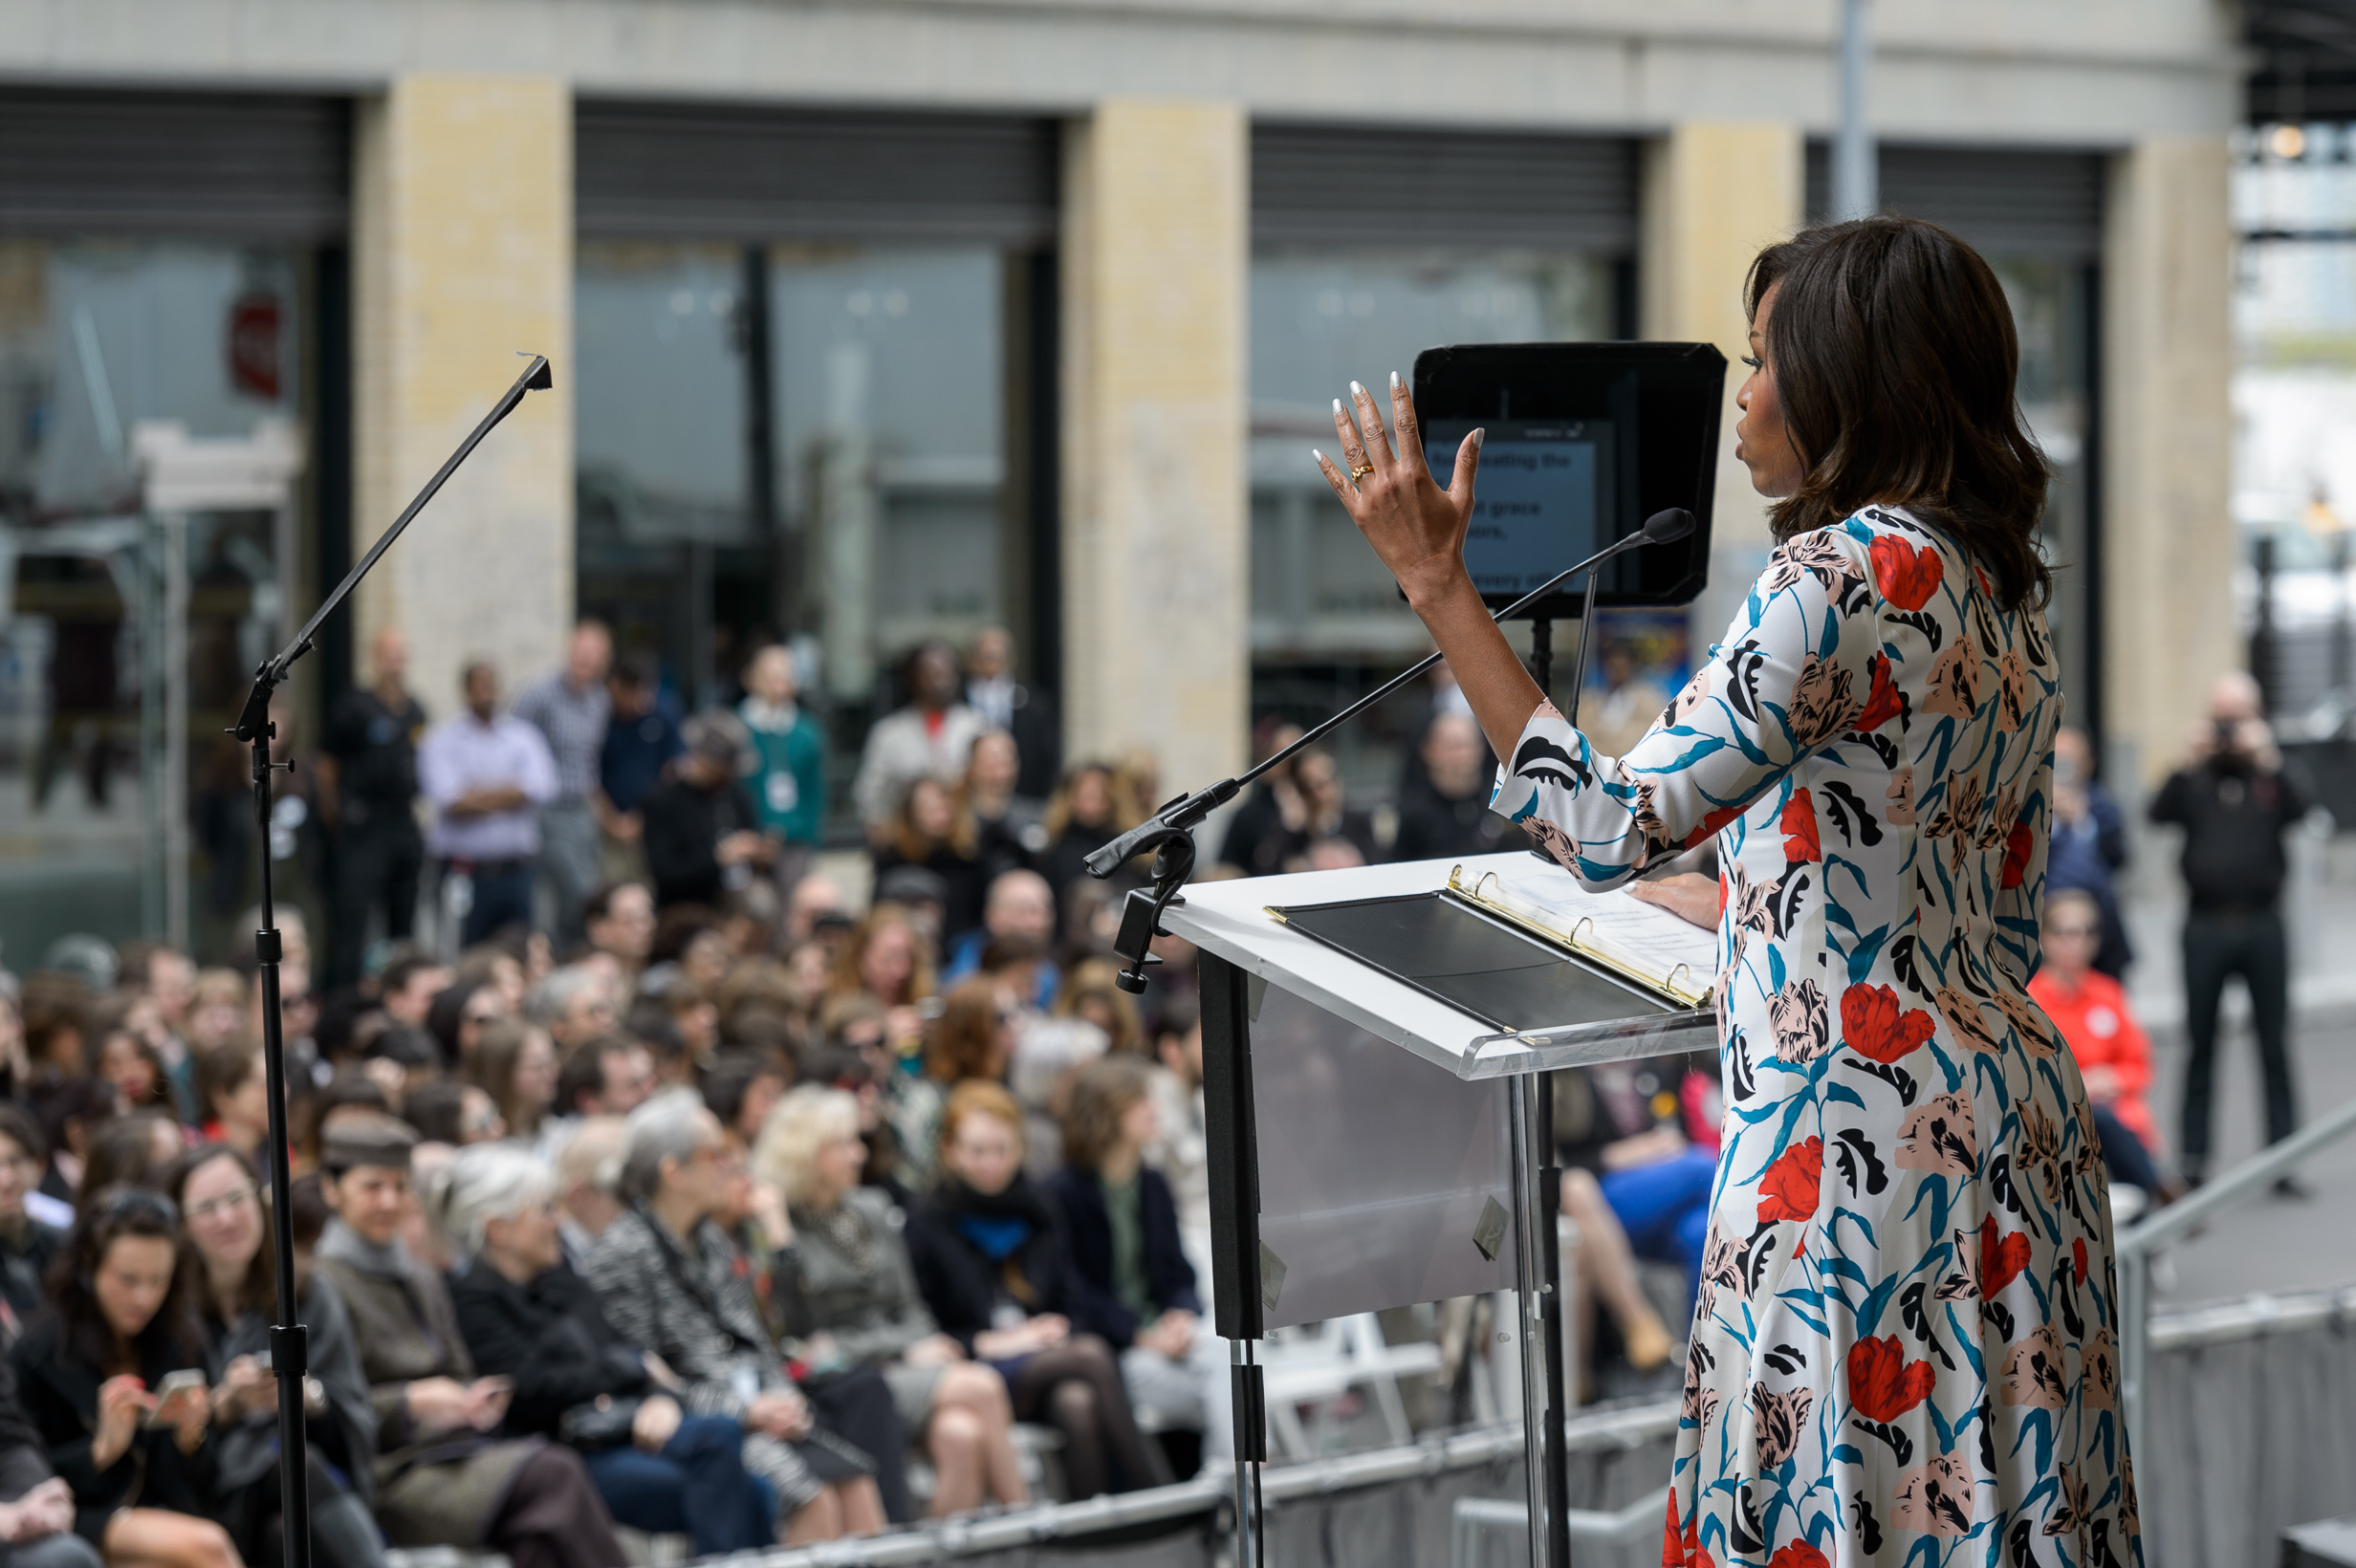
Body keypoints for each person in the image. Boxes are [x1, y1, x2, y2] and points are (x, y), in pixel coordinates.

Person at [1315, 216, 2136, 1557]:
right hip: (2014, 1138)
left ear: (1842, 381)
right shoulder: (1998, 586)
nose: (1743, 395)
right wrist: (1758, 901)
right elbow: (1967, 899)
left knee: (1844, 1508)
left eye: (1762, 360)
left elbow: (1608, 827)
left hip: (1857, 1154)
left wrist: (1435, 582)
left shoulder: (1838, 570)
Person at [310, 1113, 626, 1568]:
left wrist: (468, 1399)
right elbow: (327, 1409)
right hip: (392, 1472)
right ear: (331, 1190)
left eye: (400, 1188)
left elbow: (459, 1369)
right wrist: (409, 1402)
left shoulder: (418, 1274)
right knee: (554, 1472)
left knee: (538, 1541)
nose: (389, 1201)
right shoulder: (324, 1284)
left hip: (458, 1451)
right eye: (372, 1187)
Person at [434, 1144, 775, 1557]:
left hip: (621, 1427)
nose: (557, 1221)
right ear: (498, 1229)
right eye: (543, 1210)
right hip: (566, 1452)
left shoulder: (558, 1276)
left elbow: (624, 1350)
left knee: (729, 1445)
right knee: (739, 1490)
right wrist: (631, 1370)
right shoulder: (470, 1300)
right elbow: (531, 1387)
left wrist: (660, 1398)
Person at [579, 1095, 889, 1543]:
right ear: (674, 1172)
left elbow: (756, 1342)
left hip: (760, 1411)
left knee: (856, 1480)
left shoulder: (710, 1239)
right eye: (716, 1155)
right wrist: (748, 1413)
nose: (731, 1165)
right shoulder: (619, 1255)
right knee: (811, 1496)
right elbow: (648, 1381)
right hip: (704, 1429)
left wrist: (785, 1401)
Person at [754, 1088, 1031, 1517]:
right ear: (805, 1154)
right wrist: (781, 1246)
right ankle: (1031, 1524)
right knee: (981, 1385)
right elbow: (799, 1339)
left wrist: (900, 1348)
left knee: (962, 1435)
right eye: (844, 1145)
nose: (859, 1155)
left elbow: (913, 1312)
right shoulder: (778, 1228)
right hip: (846, 1380)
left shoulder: (871, 1207)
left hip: (899, 1365)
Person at [905, 1082, 1165, 1498]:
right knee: (1092, 1354)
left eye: (1002, 1149)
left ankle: (1092, 1540)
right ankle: (1162, 1500)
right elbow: (924, 1328)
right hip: (978, 1368)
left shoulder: (1039, 1209)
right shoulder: (927, 1224)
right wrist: (996, 1343)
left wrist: (1054, 1330)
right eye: (977, 1151)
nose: (991, 1163)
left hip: (1047, 1362)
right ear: (950, 1151)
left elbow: (1071, 1298)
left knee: (1076, 1402)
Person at [164, 1148, 383, 1568]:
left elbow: (355, 1414)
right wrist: (225, 1405)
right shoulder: (168, 1306)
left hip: (299, 1484)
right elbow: (165, 1440)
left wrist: (305, 1395)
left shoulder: (306, 1291)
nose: (227, 1219)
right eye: (207, 1208)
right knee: (297, 1467)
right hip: (210, 1489)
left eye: (237, 1199)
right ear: (184, 1225)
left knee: (281, 1533)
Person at [2148, 670, 2313, 1192]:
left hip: (2263, 924)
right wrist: (2185, 760)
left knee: (2273, 1047)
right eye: (2222, 717)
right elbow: (2156, 814)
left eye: (2238, 718)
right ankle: (2194, 1162)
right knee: (2200, 1045)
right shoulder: (2196, 775)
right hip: (2205, 925)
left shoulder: (2270, 774)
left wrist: (2271, 760)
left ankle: (2283, 1161)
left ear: (2258, 718)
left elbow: (2304, 811)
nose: (2228, 730)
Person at [11, 1190, 237, 1568]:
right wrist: (99, 1451)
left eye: (158, 1280)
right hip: (79, 1512)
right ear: (90, 1265)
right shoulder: (38, 1351)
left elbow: (207, 1480)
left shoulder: (179, 1338)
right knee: (207, 1546)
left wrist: (190, 1438)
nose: (143, 1297)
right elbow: (21, 1471)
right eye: (127, 1279)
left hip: (162, 1508)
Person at [1046, 1059, 1227, 1469]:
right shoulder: (1062, 1194)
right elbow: (1072, 1293)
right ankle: (1241, 1489)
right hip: (1116, 1351)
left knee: (1232, 1357)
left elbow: (1180, 1273)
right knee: (1237, 1394)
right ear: (1107, 1113)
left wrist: (1181, 1315)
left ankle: (1230, 1488)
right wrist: (1141, 1334)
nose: (1154, 1109)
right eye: (1141, 1101)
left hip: (1169, 1339)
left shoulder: (1153, 1183)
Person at [2026, 890, 2171, 1196]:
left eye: (2086, 932)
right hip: (2059, 1113)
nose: (2075, 942)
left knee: (2112, 1118)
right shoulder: (2031, 1001)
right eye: (2064, 932)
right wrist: (2080, 1086)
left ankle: (2155, 1194)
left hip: (2116, 1109)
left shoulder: (2108, 993)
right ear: (2045, 938)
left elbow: (2139, 1065)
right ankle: (2160, 1191)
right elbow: (2027, 1073)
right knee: (2098, 1117)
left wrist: (2112, 1078)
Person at [417, 663, 560, 947]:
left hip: (516, 869)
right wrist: (510, 792)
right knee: (465, 951)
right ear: (465, 690)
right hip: (465, 872)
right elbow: (449, 801)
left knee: (520, 949)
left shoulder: (523, 736)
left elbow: (541, 788)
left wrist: (475, 793)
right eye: (477, 686)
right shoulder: (442, 738)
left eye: (490, 685)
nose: (485, 693)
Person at [319, 629, 430, 990]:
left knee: (404, 923)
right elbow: (327, 764)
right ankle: (344, 994)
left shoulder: (415, 709)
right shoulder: (353, 706)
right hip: (365, 826)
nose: (395, 664)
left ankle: (402, 991)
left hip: (403, 822)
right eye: (388, 655)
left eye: (400, 656)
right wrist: (335, 815)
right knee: (354, 921)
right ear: (375, 659)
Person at [513, 621, 617, 948]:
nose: (585, 661)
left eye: (593, 655)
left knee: (587, 885)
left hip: (583, 804)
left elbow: (591, 759)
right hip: (549, 806)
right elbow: (514, 743)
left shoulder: (600, 700)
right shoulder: (539, 695)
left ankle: (572, 950)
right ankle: (569, 949)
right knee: (576, 887)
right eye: (580, 652)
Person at [639, 713, 774, 912]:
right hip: (686, 908)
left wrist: (759, 853)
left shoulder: (735, 794)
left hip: (736, 905)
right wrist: (719, 857)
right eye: (721, 770)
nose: (727, 777)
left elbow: (752, 837)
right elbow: (664, 872)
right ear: (701, 759)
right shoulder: (662, 801)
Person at [851, 642, 984, 842]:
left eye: (947, 674)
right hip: (907, 845)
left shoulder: (976, 725)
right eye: (932, 674)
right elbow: (868, 795)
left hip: (965, 844)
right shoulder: (889, 733)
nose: (941, 683)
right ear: (913, 679)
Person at [738, 644, 827, 899]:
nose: (779, 684)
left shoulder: (807, 733)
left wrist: (805, 838)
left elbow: (815, 795)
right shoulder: (739, 728)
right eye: (770, 676)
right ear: (750, 678)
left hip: (794, 844)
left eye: (786, 676)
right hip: (748, 843)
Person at [2045, 727, 2131, 979]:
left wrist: (2083, 821)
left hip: (2100, 930)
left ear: (2087, 763)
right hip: (2043, 930)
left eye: (2069, 761)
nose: (2062, 768)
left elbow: (2119, 857)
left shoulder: (2102, 804)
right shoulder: (2028, 807)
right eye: (2055, 759)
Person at [1389, 710, 1526, 862]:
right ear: (1431, 751)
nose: (1466, 754)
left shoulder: (1501, 801)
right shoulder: (1415, 812)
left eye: (1473, 745)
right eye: (1456, 746)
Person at [0, 1352, 96, 1568]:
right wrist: (8, 1518)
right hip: (95, 1506)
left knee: (70, 1557)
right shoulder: (45, 1351)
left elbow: (9, 1439)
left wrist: (46, 1500)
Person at [871, 779, 989, 947]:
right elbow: (879, 917)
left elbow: (980, 918)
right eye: (929, 807)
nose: (939, 813)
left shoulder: (969, 859)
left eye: (944, 804)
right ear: (909, 813)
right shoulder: (891, 861)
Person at [963, 627, 1059, 800]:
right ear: (973, 660)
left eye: (998, 657)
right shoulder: (958, 699)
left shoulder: (1034, 702)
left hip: (1024, 797)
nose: (992, 663)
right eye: (986, 657)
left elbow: (1046, 757)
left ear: (1010, 659)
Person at [597, 650, 681, 842]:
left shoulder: (664, 713)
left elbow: (671, 770)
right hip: (605, 823)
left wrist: (644, 817)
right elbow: (588, 775)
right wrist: (612, 822)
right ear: (616, 685)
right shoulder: (599, 718)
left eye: (648, 691)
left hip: (654, 820)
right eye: (634, 692)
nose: (642, 701)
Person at [468, 1019, 560, 1145]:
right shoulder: (479, 1140)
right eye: (537, 1066)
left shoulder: (553, 1130)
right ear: (502, 1075)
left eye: (551, 1061)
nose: (552, 1073)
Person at [581, 883, 657, 978]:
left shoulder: (662, 976)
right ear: (598, 928)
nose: (644, 928)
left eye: (647, 916)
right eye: (630, 918)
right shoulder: (584, 980)